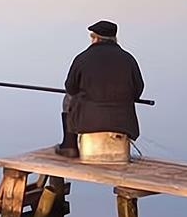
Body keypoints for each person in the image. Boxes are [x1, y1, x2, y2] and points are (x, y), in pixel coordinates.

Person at [55, 20, 145, 158]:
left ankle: (69, 146)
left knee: (68, 98)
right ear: (114, 38)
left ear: (95, 38)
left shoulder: (82, 58)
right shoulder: (128, 59)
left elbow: (70, 88)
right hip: (123, 124)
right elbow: (138, 90)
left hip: (88, 122)